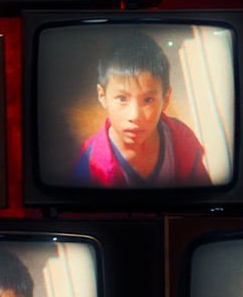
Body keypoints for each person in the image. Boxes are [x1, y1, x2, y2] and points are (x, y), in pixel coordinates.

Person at [71, 31, 211, 187]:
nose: (135, 116)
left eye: (148, 100)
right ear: (102, 96)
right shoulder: (89, 164)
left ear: (165, 99)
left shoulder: (181, 139)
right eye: (122, 99)